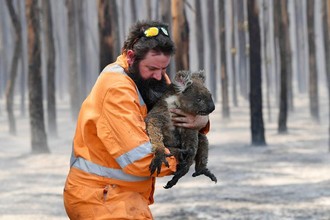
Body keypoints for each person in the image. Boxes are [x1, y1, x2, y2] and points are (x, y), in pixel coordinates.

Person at [63, 20, 210, 219]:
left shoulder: (151, 78)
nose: (160, 76)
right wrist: (185, 158)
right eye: (152, 68)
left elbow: (181, 115)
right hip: (101, 198)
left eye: (164, 69)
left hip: (123, 196)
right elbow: (140, 159)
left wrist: (202, 122)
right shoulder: (116, 89)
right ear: (131, 57)